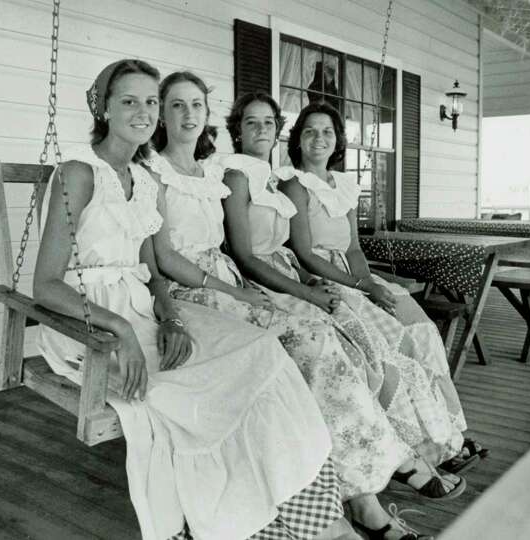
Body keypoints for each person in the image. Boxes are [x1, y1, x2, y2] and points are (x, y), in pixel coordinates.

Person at [34, 59, 354, 540]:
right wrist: (119, 329)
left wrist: (169, 317)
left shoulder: (143, 178)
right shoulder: (79, 173)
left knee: (261, 352)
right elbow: (46, 286)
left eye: (148, 101)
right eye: (129, 101)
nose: (142, 112)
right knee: (206, 390)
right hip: (87, 323)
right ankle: (235, 522)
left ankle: (317, 517)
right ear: (103, 109)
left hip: (143, 312)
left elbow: (152, 270)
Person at [144, 73, 459, 540]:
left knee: (331, 343)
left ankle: (368, 489)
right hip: (203, 295)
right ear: (161, 114)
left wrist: (334, 282)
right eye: (176, 106)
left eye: (196, 106)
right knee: (311, 346)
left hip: (233, 286)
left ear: (207, 115)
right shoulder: (156, 172)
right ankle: (358, 494)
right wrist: (252, 291)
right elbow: (170, 258)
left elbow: (246, 247)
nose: (188, 115)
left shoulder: (209, 174)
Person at [279, 101, 490, 477]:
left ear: (337, 140)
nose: (319, 139)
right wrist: (360, 288)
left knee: (422, 332)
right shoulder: (295, 185)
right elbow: (305, 254)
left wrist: (372, 284)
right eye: (310, 131)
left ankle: (450, 434)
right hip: (325, 278)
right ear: (297, 139)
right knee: (393, 346)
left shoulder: (342, 185)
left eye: (327, 132)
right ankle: (419, 445)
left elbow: (355, 249)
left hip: (356, 277)